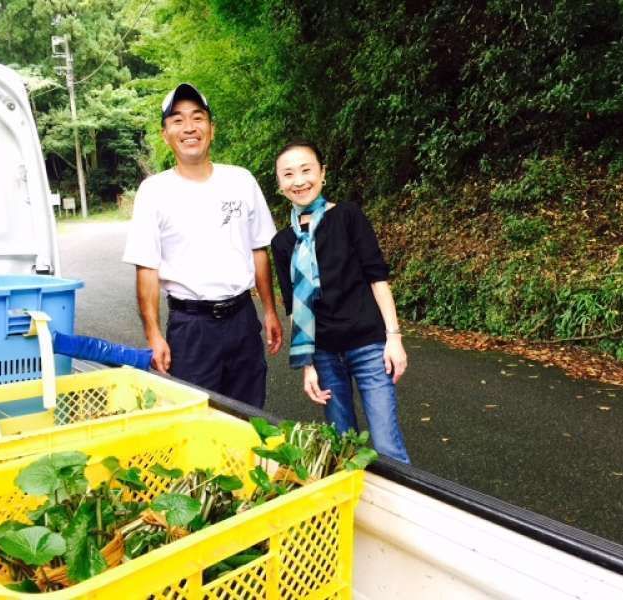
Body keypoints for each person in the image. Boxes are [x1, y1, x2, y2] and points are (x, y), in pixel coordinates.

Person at [122, 83, 282, 407]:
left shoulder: (241, 180)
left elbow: (259, 251)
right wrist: (153, 335)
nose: (189, 127)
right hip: (190, 328)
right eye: (177, 120)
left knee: (250, 416)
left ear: (212, 129)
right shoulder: (154, 191)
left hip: (242, 320)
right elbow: (147, 269)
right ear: (165, 134)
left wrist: (269, 310)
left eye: (198, 117)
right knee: (197, 416)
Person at [270, 140, 410, 462]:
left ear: (322, 173)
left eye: (307, 170)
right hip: (324, 355)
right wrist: (307, 366)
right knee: (343, 446)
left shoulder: (348, 216)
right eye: (288, 174)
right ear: (280, 184)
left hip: (368, 346)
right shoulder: (282, 243)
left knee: (387, 447)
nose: (299, 180)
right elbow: (295, 310)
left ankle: (399, 507)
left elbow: (377, 278)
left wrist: (394, 338)